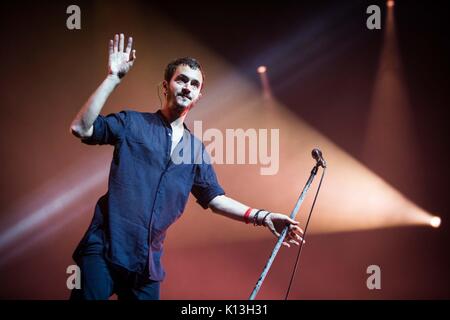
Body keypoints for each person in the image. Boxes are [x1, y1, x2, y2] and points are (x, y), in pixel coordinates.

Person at [69, 33, 304, 300]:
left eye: (194, 84)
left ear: (198, 96)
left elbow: (215, 199)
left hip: (146, 266)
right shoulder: (132, 123)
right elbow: (81, 128)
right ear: (166, 86)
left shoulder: (195, 150)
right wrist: (112, 78)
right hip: (105, 250)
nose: (187, 87)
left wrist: (263, 217)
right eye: (181, 79)